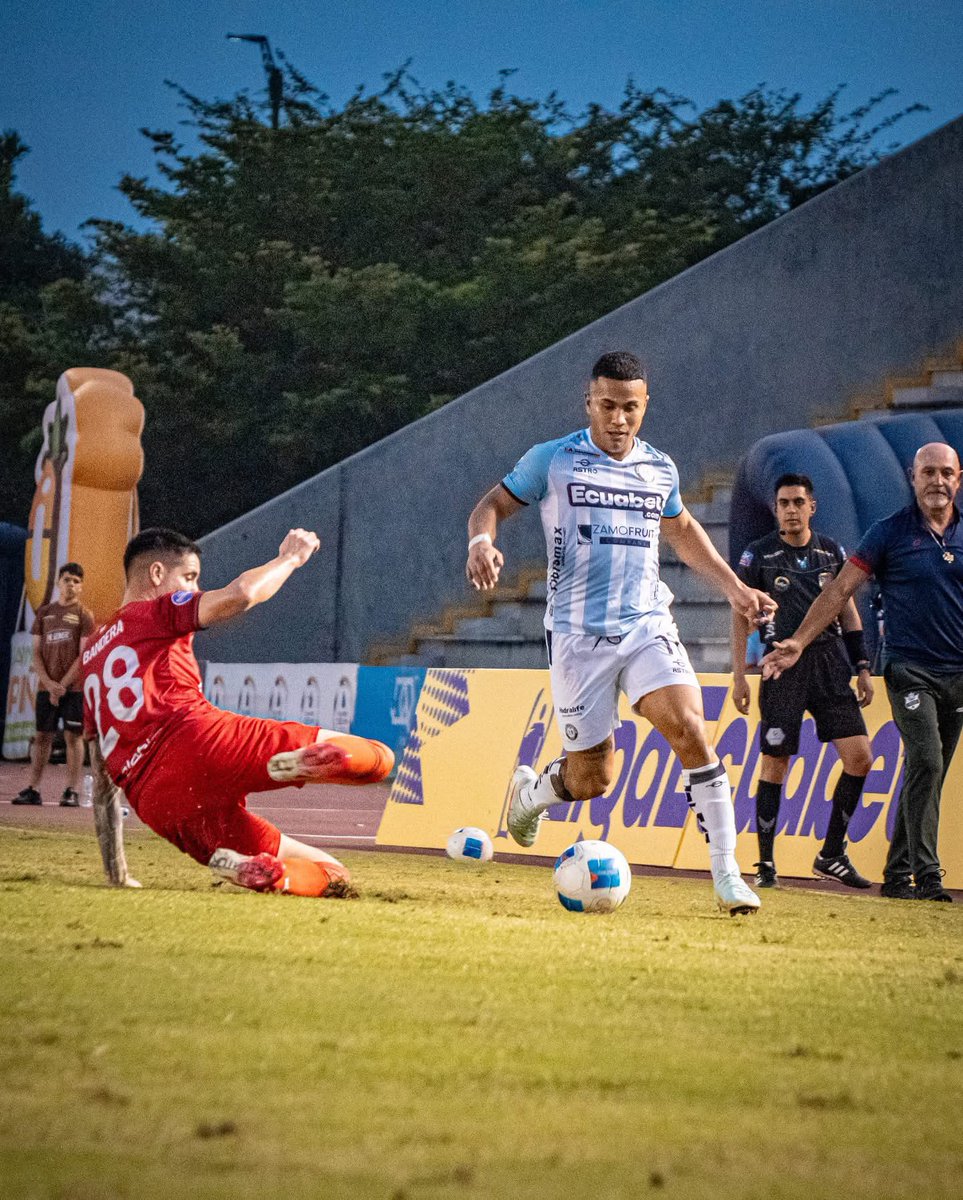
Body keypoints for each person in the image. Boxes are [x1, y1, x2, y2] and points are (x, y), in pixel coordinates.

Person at [466, 350, 776, 915]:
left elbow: (682, 531)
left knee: (689, 728)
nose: (618, 419)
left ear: (645, 406)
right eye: (607, 406)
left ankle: (728, 872)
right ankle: (533, 793)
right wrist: (481, 543)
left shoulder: (660, 468)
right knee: (593, 777)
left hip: (645, 624)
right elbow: (491, 505)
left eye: (630, 408)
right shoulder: (553, 460)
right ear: (589, 402)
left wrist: (735, 589)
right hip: (577, 636)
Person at [82, 527, 393, 896]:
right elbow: (240, 595)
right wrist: (289, 558)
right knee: (380, 761)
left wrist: (116, 873)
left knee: (333, 874)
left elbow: (102, 787)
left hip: (155, 802)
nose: (195, 589)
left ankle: (262, 871)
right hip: (197, 740)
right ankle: (318, 759)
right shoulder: (156, 612)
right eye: (190, 577)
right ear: (156, 574)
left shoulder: (91, 657)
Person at [763, 443, 963, 902]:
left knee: (929, 772)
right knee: (928, 762)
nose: (937, 481)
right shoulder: (888, 533)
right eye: (927, 472)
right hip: (911, 669)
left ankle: (895, 876)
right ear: (913, 478)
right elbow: (838, 593)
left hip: (958, 673)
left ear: (958, 478)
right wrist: (799, 640)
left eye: (945, 473)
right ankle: (928, 875)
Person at [732, 474, 875, 890]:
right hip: (781, 667)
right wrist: (739, 674)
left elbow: (847, 609)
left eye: (798, 502)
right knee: (776, 762)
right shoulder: (757, 555)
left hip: (831, 664)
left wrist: (862, 664)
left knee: (860, 757)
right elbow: (740, 615)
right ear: (775, 509)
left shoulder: (831, 551)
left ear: (812, 506)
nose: (791, 510)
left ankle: (832, 853)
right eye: (783, 503)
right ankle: (765, 865)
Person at [13, 563, 95, 807]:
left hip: (74, 689)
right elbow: (36, 653)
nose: (71, 584)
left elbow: (83, 656)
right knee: (42, 737)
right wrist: (49, 685)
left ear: (81, 587)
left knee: (73, 737)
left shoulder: (84, 615)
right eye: (67, 579)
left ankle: (71, 790)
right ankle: (33, 788)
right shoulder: (45, 613)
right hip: (45, 688)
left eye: (76, 581)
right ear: (59, 582)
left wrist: (62, 685)